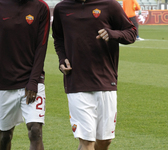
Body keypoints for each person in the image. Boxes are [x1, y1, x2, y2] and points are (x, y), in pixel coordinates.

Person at [52, 0, 137, 149]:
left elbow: (131, 33)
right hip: (76, 82)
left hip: (105, 80)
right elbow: (58, 38)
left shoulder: (110, 5)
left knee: (105, 141)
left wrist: (112, 34)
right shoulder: (61, 8)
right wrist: (62, 59)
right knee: (86, 141)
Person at [0, 0, 50, 149]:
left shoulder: (41, 7)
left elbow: (42, 46)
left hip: (32, 81)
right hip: (5, 83)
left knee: (35, 131)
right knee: (5, 135)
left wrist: (33, 82)